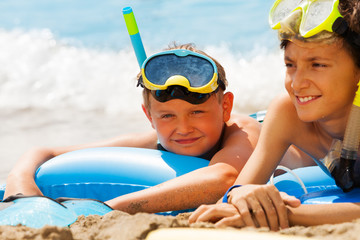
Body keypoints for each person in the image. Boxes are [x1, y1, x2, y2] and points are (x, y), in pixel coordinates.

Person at [4, 43, 262, 214]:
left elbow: (225, 179)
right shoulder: (153, 140)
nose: (183, 127)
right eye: (167, 115)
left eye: (197, 112)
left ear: (226, 107)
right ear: (149, 115)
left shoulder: (243, 130)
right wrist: (20, 183)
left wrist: (110, 208)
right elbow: (46, 151)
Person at [189, 0, 360, 231]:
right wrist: (240, 198)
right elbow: (238, 191)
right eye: (290, 65)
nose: (297, 83)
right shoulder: (287, 112)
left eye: (318, 65)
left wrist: (285, 213)